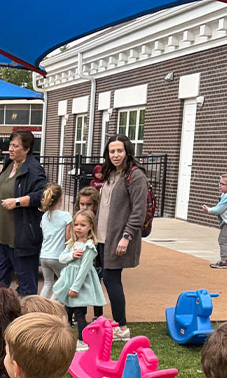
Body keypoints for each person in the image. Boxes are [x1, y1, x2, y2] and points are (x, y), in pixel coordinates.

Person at [97, 134, 148, 341]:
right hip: (101, 236)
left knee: (111, 279)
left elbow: (138, 211)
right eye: (112, 151)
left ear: (127, 152)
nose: (116, 155)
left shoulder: (135, 176)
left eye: (119, 150)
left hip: (119, 237)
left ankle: (122, 327)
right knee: (103, 277)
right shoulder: (110, 173)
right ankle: (101, 319)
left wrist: (126, 236)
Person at [0, 129, 47, 295]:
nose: (11, 149)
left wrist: (17, 201)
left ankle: (28, 311)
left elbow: (43, 195)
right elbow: (2, 189)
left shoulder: (33, 169)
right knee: (0, 285)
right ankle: (0, 310)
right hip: (2, 237)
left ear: (27, 149)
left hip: (21, 238)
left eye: (15, 146)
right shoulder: (10, 163)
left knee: (26, 286)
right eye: (10, 145)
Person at [53, 208, 103, 340]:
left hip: (80, 285)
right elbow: (61, 258)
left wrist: (76, 287)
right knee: (67, 311)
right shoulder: (72, 243)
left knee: (79, 313)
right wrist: (72, 255)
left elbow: (84, 269)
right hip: (68, 282)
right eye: (76, 224)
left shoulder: (89, 246)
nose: (78, 228)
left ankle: (82, 340)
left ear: (90, 226)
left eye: (83, 225)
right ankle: (66, 338)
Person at [38, 184, 69, 300]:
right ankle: (52, 304)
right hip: (57, 256)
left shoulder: (44, 216)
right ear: (61, 199)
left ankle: (40, 306)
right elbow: (68, 238)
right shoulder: (66, 216)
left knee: (47, 283)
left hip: (44, 255)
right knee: (63, 281)